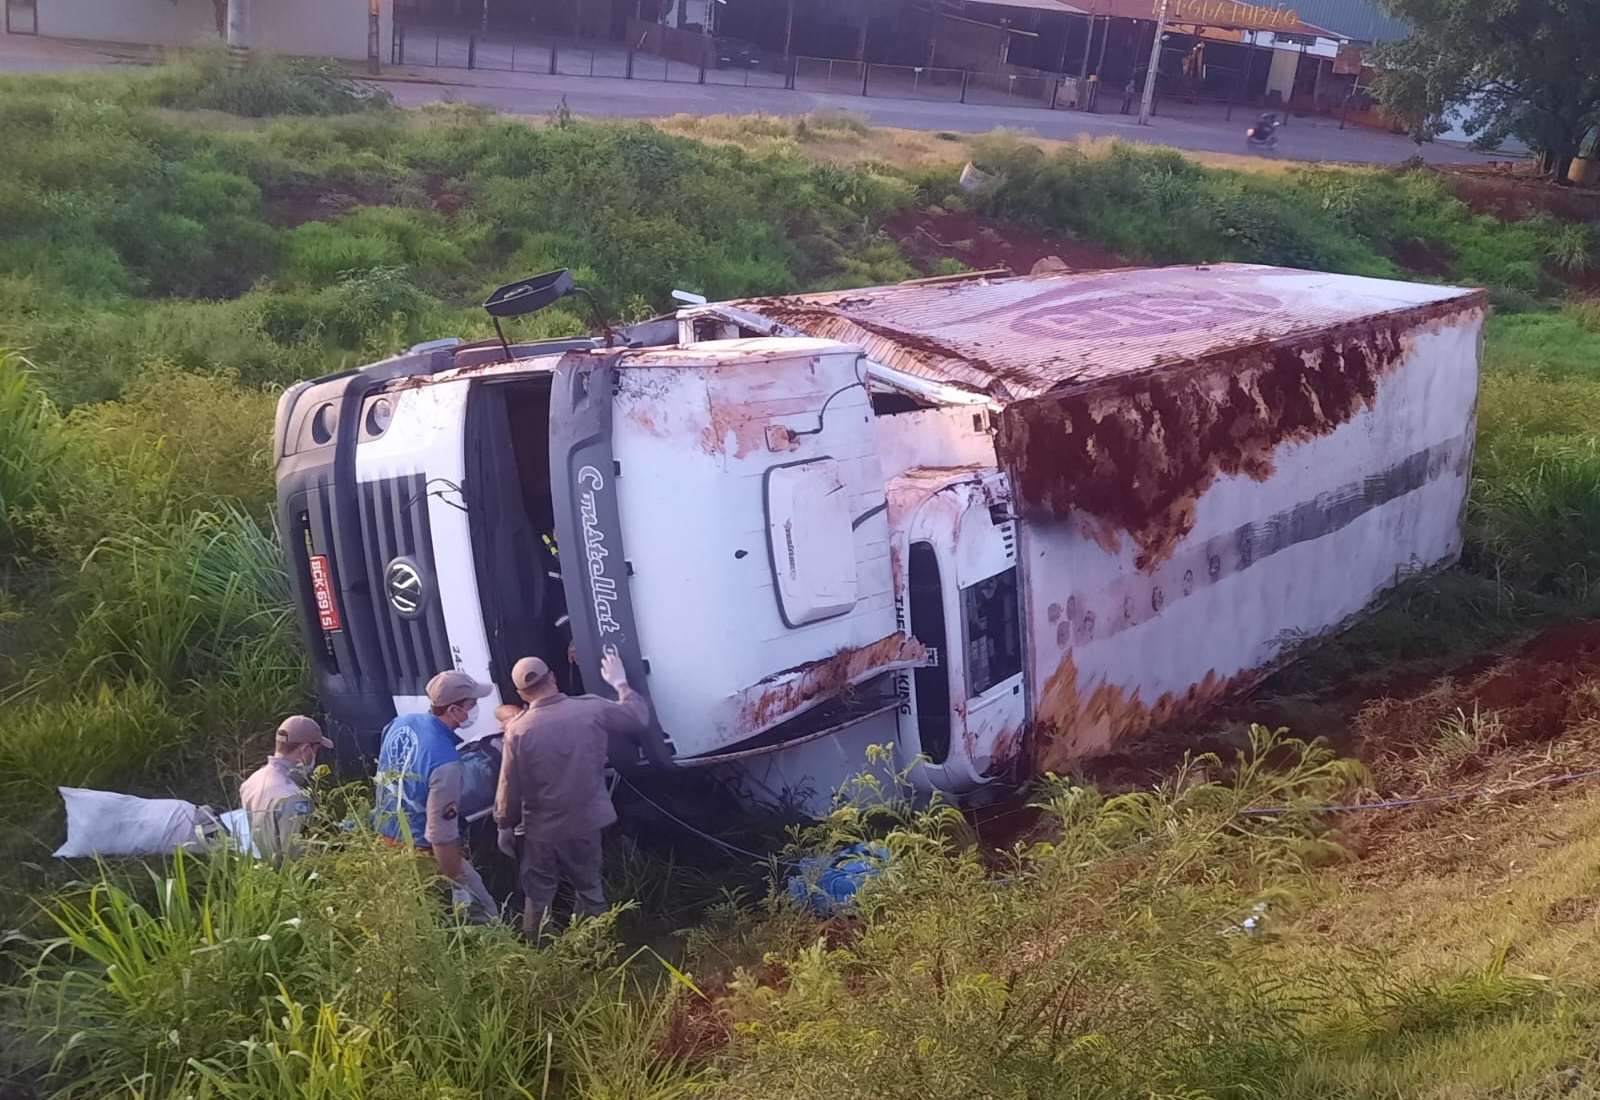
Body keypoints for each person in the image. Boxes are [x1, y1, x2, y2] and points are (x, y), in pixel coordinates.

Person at [494, 651, 651, 937]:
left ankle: (545, 962)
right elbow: (638, 717)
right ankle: (595, 951)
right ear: (552, 677)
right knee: (590, 889)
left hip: (541, 830)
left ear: (522, 694)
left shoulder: (517, 730)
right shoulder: (590, 709)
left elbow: (509, 786)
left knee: (539, 898)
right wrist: (620, 683)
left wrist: (504, 826)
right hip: (585, 822)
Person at [374, 669, 499, 923]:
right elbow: (440, 836)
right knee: (485, 914)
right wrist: (457, 882)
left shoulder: (400, 724)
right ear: (453, 711)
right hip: (421, 852)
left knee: (418, 917)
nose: (474, 708)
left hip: (384, 840)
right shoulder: (446, 763)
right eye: (471, 704)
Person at [239, 715, 333, 863]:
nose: (315, 756)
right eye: (316, 750)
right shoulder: (295, 799)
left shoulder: (251, 782)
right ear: (305, 750)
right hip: (286, 881)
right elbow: (300, 858)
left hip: (260, 872)